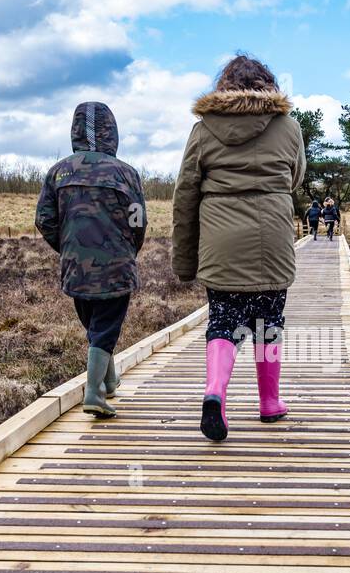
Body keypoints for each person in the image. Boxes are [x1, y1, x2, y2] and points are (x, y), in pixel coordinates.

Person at [172, 53, 306, 441]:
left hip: (221, 244)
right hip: (274, 242)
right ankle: (269, 402)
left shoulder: (202, 131)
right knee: (269, 324)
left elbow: (185, 197)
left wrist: (184, 260)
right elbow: (295, 178)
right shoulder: (289, 127)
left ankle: (215, 392)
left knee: (222, 322)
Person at [35, 101, 147, 419]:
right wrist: (128, 249)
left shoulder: (58, 172)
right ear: (112, 132)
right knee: (105, 327)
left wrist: (69, 248)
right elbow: (138, 220)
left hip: (76, 269)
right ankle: (94, 392)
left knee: (96, 327)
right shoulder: (127, 174)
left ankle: (109, 381)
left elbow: (44, 219)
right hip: (116, 266)